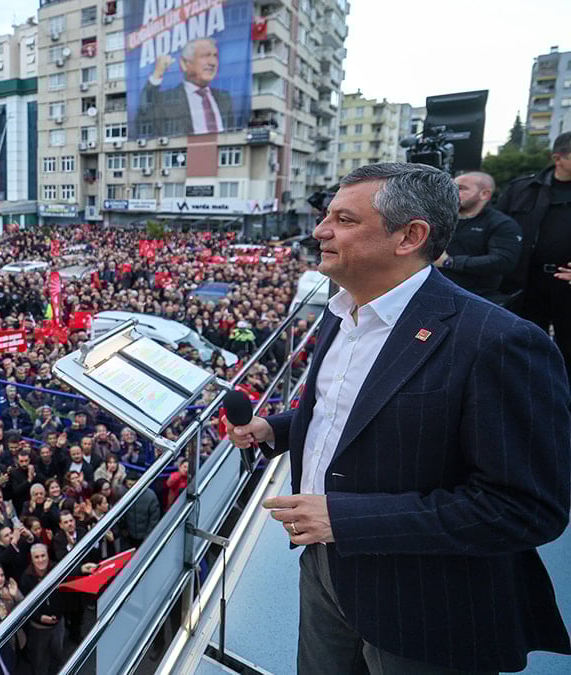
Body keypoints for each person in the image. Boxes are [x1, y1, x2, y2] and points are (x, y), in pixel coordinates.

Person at [227, 162, 571, 674]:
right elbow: (351, 407)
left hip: (425, 605)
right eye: (327, 216)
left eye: (344, 220)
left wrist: (344, 519)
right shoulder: (343, 310)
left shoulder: (498, 341)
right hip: (324, 569)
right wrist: (276, 429)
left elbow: (525, 508)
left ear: (409, 236)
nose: (320, 231)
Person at [497, 130, 571, 376]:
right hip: (526, 283)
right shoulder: (522, 189)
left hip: (567, 286)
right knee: (524, 350)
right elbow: (498, 229)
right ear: (557, 158)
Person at [435, 171, 522, 301]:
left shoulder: (501, 224)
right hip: (436, 290)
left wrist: (450, 262)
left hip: (474, 298)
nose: (453, 193)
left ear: (484, 194)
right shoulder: (441, 218)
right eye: (451, 188)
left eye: (461, 188)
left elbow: (503, 260)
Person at [133, 38, 233, 137]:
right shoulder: (168, 99)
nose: (212, 62)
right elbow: (143, 115)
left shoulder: (224, 98)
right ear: (185, 64)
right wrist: (157, 74)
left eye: (215, 56)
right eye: (205, 55)